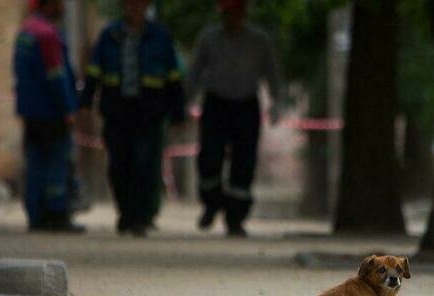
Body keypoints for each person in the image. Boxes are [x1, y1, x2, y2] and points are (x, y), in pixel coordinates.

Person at [79, 0, 185, 237]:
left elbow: (173, 76)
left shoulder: (159, 36)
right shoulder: (110, 35)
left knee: (144, 163)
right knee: (119, 164)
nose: (134, 7)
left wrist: (178, 112)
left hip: (149, 111)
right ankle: (125, 211)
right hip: (117, 111)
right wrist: (85, 103)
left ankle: (140, 216)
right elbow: (95, 70)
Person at [186, 0, 282, 236]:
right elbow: (195, 71)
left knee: (244, 163)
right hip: (215, 104)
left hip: (246, 106)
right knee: (209, 158)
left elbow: (272, 72)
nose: (233, 16)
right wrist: (184, 102)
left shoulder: (259, 40)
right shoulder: (209, 38)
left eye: (237, 11)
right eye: (228, 11)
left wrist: (276, 102)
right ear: (222, 12)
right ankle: (212, 203)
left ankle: (236, 217)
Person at [13, 0, 85, 233]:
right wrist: (68, 108)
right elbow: (57, 75)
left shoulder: (25, 32)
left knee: (34, 163)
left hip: (30, 112)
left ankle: (35, 215)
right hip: (51, 112)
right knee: (56, 163)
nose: (63, 6)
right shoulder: (47, 35)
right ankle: (55, 213)